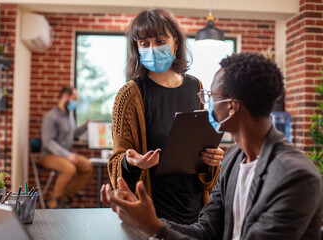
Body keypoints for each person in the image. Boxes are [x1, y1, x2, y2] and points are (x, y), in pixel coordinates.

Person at [102, 52, 323, 239]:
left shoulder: (296, 177)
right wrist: (147, 222)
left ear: (231, 106)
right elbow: (205, 232)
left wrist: (154, 227)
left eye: (211, 96)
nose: (206, 103)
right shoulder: (233, 159)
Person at [108, 8, 224, 224]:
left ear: (176, 43)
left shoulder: (195, 86)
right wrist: (132, 163)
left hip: (196, 213)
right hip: (152, 215)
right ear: (137, 48)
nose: (152, 48)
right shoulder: (130, 94)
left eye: (161, 40)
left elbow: (200, 154)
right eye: (144, 43)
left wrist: (212, 159)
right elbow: (116, 165)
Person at [40, 86, 93, 209]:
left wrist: (84, 126)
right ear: (65, 96)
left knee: (88, 167)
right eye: (74, 98)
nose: (75, 102)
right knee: (70, 169)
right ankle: (55, 200)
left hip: (65, 154)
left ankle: (66, 196)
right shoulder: (50, 117)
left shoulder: (69, 116)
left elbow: (72, 134)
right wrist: (67, 155)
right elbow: (48, 142)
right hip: (48, 155)